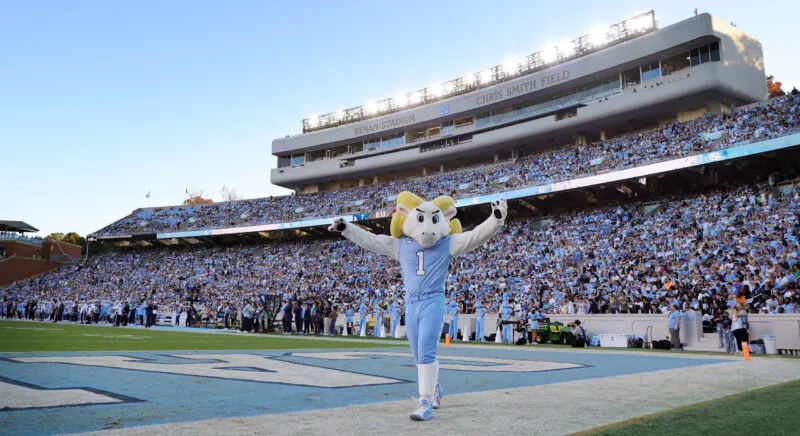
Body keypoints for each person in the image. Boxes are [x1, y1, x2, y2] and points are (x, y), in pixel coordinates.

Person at [329, 192, 506, 421]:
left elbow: (475, 237)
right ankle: (435, 389)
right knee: (417, 355)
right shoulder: (401, 245)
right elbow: (372, 241)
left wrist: (496, 219)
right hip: (411, 304)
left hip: (433, 300)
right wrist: (348, 229)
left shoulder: (447, 242)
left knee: (426, 352)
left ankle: (424, 402)